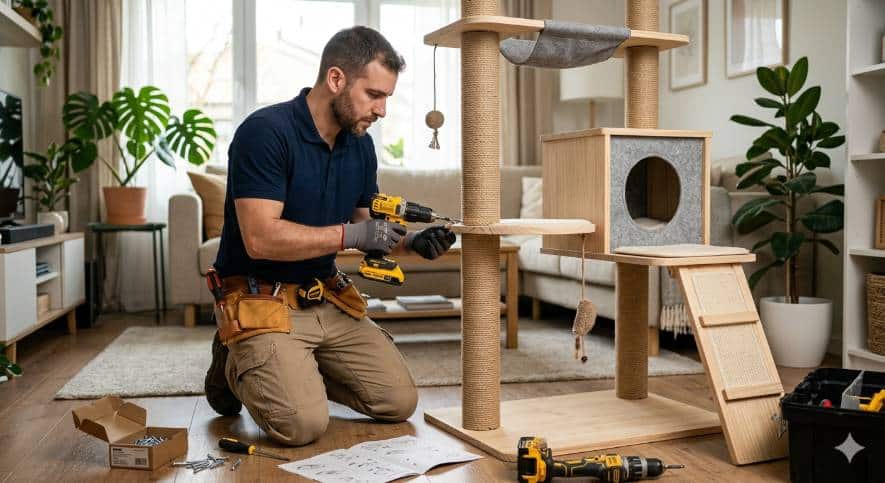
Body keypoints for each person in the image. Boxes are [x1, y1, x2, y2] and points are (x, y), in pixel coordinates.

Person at [204, 26, 456, 446]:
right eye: (374, 95)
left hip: (323, 295)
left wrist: (412, 242)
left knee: (398, 402)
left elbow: (366, 225)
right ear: (336, 79)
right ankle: (233, 360)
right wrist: (351, 235)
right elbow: (260, 239)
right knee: (301, 425)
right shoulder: (265, 132)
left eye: (387, 98)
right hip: (260, 297)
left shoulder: (360, 145)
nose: (382, 110)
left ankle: (289, 368)